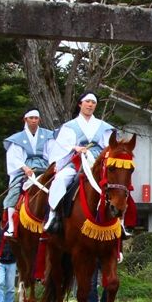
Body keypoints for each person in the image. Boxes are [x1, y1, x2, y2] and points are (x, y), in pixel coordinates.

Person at [45, 93, 114, 233]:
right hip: (76, 160)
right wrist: (74, 148)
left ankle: (119, 221)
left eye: (93, 102)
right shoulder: (70, 126)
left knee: (117, 183)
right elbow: (62, 146)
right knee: (61, 179)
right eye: (87, 101)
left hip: (97, 161)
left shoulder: (104, 126)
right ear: (80, 104)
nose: (90, 105)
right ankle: (53, 215)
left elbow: (109, 147)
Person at [3, 108, 55, 236]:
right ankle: (11, 225)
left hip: (45, 167)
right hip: (26, 169)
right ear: (25, 119)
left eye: (36, 118)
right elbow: (14, 157)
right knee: (15, 191)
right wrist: (24, 168)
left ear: (39, 120)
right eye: (31, 118)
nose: (33, 121)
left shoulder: (48, 135)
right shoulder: (17, 139)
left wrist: (53, 165)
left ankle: (57, 220)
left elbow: (53, 153)